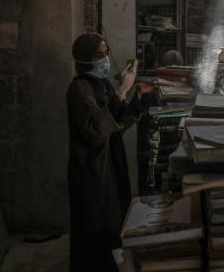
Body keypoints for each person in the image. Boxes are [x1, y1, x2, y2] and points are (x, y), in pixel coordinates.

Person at [66, 33, 157, 272]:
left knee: (114, 225)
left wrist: (139, 101)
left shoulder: (102, 84)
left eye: (106, 53)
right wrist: (122, 91)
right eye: (99, 55)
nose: (105, 59)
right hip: (93, 170)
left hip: (111, 164)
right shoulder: (79, 89)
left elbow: (117, 122)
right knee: (95, 229)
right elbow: (96, 128)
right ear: (85, 59)